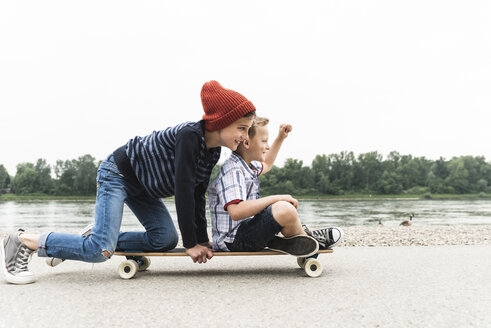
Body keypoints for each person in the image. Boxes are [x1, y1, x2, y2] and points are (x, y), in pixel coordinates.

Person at [1, 80, 256, 284]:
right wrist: (190, 244)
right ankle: (22, 241)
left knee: (165, 240)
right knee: (98, 251)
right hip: (118, 174)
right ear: (221, 122)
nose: (245, 138)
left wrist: (202, 239)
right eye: (242, 128)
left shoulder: (212, 151)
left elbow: (197, 194)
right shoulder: (190, 136)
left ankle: (98, 233)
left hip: (143, 187)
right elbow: (183, 190)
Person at [208, 117, 343, 255]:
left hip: (244, 232)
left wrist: (281, 137)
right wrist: (276, 198)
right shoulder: (233, 170)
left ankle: (301, 239)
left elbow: (267, 163)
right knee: (284, 209)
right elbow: (236, 212)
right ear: (247, 143)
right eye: (264, 141)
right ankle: (309, 243)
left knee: (284, 210)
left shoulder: (249, 166)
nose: (267, 146)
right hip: (233, 240)